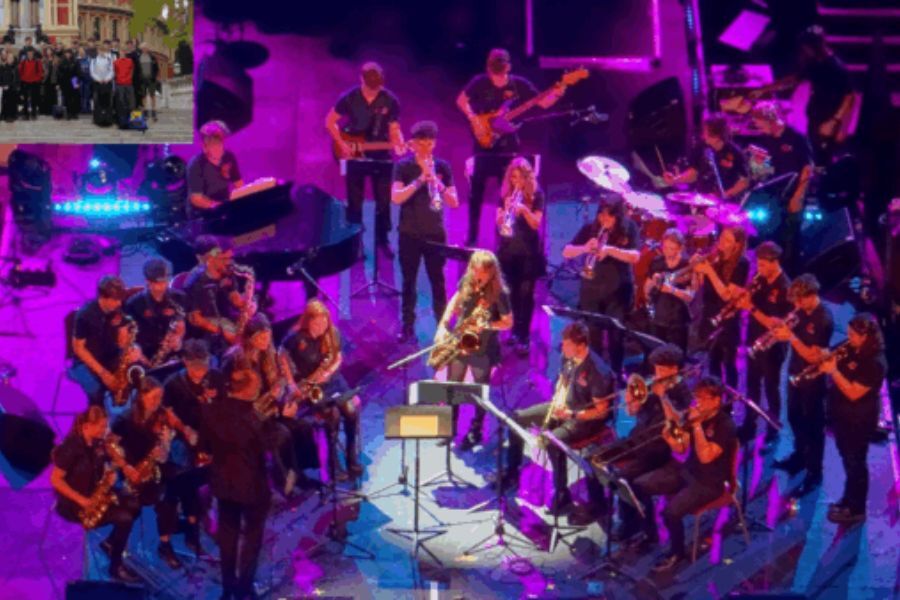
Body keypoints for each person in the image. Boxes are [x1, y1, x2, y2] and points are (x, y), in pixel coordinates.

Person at [503, 321, 617, 524]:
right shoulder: (570, 358)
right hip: (563, 407)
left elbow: (601, 412)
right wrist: (559, 396)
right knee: (516, 419)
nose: (562, 348)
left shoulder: (598, 371)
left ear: (580, 345)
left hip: (584, 419)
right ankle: (512, 472)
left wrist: (571, 415)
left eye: (567, 344)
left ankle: (562, 493)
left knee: (551, 442)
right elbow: (563, 383)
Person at [456, 48, 562, 246]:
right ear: (489, 65)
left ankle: (502, 236)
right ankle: (471, 237)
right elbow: (461, 100)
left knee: (506, 195)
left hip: (508, 149)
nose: (498, 67)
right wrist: (474, 119)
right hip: (484, 147)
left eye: (501, 63)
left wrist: (557, 92)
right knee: (476, 194)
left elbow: (544, 104)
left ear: (508, 65)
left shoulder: (518, 85)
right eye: (495, 63)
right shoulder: (480, 82)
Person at [631, 376, 737, 572]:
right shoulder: (697, 415)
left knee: (671, 512)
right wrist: (670, 437)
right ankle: (649, 532)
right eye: (697, 396)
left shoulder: (725, 426)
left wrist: (697, 425)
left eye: (704, 398)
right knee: (639, 484)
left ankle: (677, 553)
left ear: (716, 400)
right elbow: (682, 447)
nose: (698, 402)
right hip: (689, 471)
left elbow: (705, 457)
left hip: (710, 482)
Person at [201, 350, 271, 599]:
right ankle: (245, 589)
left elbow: (206, 447)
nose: (257, 390)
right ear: (246, 389)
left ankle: (228, 588)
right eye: (255, 386)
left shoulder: (211, 412)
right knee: (251, 538)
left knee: (227, 538)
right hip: (253, 489)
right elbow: (266, 450)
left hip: (223, 485)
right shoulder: (253, 419)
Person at [110, 376, 199, 570]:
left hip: (156, 466)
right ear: (141, 397)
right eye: (153, 398)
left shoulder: (161, 416)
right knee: (167, 497)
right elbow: (110, 446)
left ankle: (190, 530)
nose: (157, 403)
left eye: (160, 398)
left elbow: (164, 457)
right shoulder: (124, 420)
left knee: (187, 482)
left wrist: (166, 445)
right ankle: (165, 544)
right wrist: (125, 466)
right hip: (134, 471)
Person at [608, 344, 693, 545]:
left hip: (660, 447)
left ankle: (646, 530)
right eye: (656, 368)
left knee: (627, 480)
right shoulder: (650, 384)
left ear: (674, 369)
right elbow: (631, 413)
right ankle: (629, 520)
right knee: (601, 458)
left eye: (663, 369)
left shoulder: (683, 392)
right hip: (639, 437)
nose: (658, 373)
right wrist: (631, 397)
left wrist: (663, 396)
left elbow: (678, 422)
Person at [50, 406, 141, 583]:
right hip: (75, 504)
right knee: (125, 518)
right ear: (86, 426)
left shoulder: (97, 441)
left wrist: (122, 467)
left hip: (94, 492)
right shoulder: (72, 447)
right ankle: (116, 567)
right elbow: (55, 479)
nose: (104, 430)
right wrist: (82, 501)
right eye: (101, 427)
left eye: (105, 426)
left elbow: (110, 449)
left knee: (134, 504)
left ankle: (111, 543)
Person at [325, 61, 405, 257]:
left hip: (379, 152)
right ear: (361, 80)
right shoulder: (349, 98)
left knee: (383, 200)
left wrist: (400, 142)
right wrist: (342, 144)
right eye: (370, 87)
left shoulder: (390, 100)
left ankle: (382, 239)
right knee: (355, 199)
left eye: (376, 87)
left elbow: (394, 129)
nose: (373, 91)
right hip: (353, 151)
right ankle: (356, 241)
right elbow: (329, 121)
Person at [435, 250, 512, 451]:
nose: (477, 277)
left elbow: (508, 323)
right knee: (454, 385)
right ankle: (449, 428)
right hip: (462, 343)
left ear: (491, 273)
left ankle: (475, 430)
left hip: (483, 348)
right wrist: (444, 324)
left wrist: (486, 324)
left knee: (479, 391)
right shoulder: (468, 281)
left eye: (482, 274)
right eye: (475, 271)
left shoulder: (499, 294)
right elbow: (455, 300)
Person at [391, 120, 459, 341]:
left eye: (431, 143)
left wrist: (437, 183)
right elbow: (396, 197)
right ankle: (407, 326)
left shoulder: (443, 167)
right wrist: (420, 179)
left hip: (435, 234)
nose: (428, 148)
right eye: (423, 143)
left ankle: (443, 326)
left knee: (438, 281)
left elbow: (454, 201)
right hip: (409, 233)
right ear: (414, 144)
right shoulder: (403, 166)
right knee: (408, 281)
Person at [279, 299, 360, 482]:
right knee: (332, 416)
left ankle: (351, 458)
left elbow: (338, 357)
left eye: (324, 322)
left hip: (333, 381)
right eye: (317, 323)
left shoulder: (332, 333)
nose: (321, 326)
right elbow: (281, 354)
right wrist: (291, 384)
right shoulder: (297, 337)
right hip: (313, 386)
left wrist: (329, 372)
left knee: (351, 412)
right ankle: (333, 464)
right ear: (308, 321)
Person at [749, 26, 854, 165]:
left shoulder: (835, 67)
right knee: (814, 151)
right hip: (816, 114)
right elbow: (794, 79)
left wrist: (835, 122)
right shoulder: (815, 62)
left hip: (829, 119)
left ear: (813, 46)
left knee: (823, 157)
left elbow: (849, 97)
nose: (804, 51)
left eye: (806, 47)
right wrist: (765, 89)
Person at [562, 194, 641, 378]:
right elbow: (566, 251)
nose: (604, 219)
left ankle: (616, 372)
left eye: (609, 216)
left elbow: (635, 256)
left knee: (616, 336)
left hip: (618, 291)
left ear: (618, 216)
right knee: (593, 335)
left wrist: (610, 250)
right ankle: (595, 373)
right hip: (592, 291)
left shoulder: (630, 228)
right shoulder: (592, 228)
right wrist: (584, 248)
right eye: (601, 214)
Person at [820, 313, 886, 524]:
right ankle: (847, 500)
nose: (848, 338)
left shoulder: (875, 362)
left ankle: (856, 509)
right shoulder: (850, 347)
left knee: (856, 463)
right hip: (841, 416)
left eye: (853, 335)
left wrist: (833, 371)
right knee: (847, 460)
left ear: (866, 336)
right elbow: (830, 354)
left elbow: (853, 392)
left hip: (858, 420)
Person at [771, 274, 833, 495]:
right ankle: (799, 456)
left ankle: (814, 472)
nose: (796, 305)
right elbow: (789, 338)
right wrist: (779, 332)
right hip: (795, 375)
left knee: (813, 428)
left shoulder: (823, 318)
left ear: (810, 296)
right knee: (794, 418)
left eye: (799, 300)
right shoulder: (801, 312)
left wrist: (791, 337)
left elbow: (813, 357)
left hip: (813, 381)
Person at [163, 339, 225, 555]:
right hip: (186, 435)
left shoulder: (216, 377)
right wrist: (185, 430)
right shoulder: (173, 384)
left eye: (204, 366)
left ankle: (220, 511)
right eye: (196, 367)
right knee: (184, 473)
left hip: (213, 433)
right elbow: (168, 414)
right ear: (185, 363)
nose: (200, 372)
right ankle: (191, 526)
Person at [735, 241, 792, 442]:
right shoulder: (761, 279)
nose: (759, 269)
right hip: (753, 340)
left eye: (763, 265)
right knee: (751, 385)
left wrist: (750, 307)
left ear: (775, 262)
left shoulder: (785, 287)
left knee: (771, 387)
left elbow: (774, 325)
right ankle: (749, 425)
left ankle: (772, 426)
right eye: (758, 264)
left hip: (772, 347)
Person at [749, 102, 813, 274]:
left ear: (770, 119)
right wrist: (759, 163)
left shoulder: (796, 138)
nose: (760, 129)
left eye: (760, 124)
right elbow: (769, 169)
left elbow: (808, 168)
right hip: (775, 197)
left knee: (791, 241)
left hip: (794, 196)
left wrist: (798, 196)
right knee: (772, 238)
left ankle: (792, 277)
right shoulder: (767, 139)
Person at [495, 156, 546, 355]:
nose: (516, 182)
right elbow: (499, 224)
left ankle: (524, 336)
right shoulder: (505, 194)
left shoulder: (537, 196)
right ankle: (514, 332)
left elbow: (536, 224)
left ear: (527, 178)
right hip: (509, 252)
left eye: (520, 178)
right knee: (512, 294)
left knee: (526, 296)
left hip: (528, 254)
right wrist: (505, 210)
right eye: (513, 178)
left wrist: (524, 210)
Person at [693, 225, 750, 389]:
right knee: (713, 361)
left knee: (729, 364)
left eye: (727, 240)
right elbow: (699, 287)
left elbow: (727, 295)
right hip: (710, 315)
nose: (721, 243)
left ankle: (729, 401)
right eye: (721, 238)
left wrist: (709, 271)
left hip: (727, 321)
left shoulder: (742, 264)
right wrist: (697, 272)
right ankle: (714, 397)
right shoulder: (716, 258)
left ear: (737, 245)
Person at [183, 236, 256, 356]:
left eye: (230, 258)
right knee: (221, 344)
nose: (229, 262)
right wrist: (225, 333)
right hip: (204, 331)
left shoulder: (227, 272)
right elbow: (196, 320)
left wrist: (249, 302)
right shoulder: (196, 281)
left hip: (223, 321)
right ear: (211, 258)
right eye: (224, 258)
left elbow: (235, 299)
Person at [69, 276, 131, 407]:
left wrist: (127, 344)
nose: (119, 303)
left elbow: (123, 337)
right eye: (115, 300)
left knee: (132, 378)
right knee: (97, 391)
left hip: (110, 355)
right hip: (87, 361)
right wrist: (103, 374)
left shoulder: (118, 309)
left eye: (120, 299)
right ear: (102, 296)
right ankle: (97, 419)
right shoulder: (85, 315)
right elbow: (78, 349)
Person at [663, 114, 749, 202]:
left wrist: (725, 195)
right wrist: (675, 180)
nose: (703, 136)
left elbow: (744, 181)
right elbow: (694, 173)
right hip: (702, 199)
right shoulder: (702, 148)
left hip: (724, 204)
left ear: (717, 137)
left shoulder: (736, 153)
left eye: (706, 133)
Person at [124, 258, 187, 366]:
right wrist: (139, 354)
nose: (164, 287)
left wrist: (178, 338)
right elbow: (127, 335)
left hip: (171, 349)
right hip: (145, 351)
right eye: (159, 283)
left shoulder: (179, 297)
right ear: (148, 282)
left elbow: (181, 324)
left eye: (166, 282)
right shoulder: (133, 304)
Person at [643, 228, 693, 352]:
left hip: (678, 321)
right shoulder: (657, 262)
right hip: (658, 318)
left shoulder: (687, 265)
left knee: (676, 357)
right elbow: (646, 291)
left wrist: (671, 290)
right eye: (665, 248)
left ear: (680, 248)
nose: (667, 252)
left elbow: (690, 296)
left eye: (672, 249)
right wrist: (653, 282)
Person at [187, 120, 244, 214]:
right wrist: (218, 207)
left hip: (224, 207)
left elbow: (239, 185)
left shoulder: (229, 157)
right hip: (202, 213)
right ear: (205, 147)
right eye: (213, 144)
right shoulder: (196, 164)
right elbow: (196, 199)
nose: (219, 148)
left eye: (220, 143)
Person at [132, 42, 159, 120]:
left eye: (146, 48)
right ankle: (145, 112)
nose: (144, 49)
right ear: (141, 49)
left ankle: (154, 112)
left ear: (148, 49)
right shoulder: (138, 58)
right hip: (142, 80)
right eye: (143, 48)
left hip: (151, 79)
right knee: (143, 96)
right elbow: (136, 69)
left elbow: (156, 68)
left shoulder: (152, 57)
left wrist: (155, 76)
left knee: (152, 95)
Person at [90, 40, 115, 119]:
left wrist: (107, 78)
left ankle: (107, 116)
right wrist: (98, 79)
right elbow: (92, 71)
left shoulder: (109, 60)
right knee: (97, 100)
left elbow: (112, 70)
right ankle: (97, 116)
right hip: (97, 82)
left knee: (107, 100)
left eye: (103, 51)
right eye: (100, 50)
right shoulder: (94, 60)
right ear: (98, 51)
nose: (101, 52)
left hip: (107, 82)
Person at [113, 40, 136, 125]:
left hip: (128, 83)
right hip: (120, 84)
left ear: (125, 53)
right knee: (121, 102)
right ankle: (121, 120)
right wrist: (118, 79)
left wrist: (129, 77)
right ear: (119, 53)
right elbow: (114, 72)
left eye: (123, 51)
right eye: (121, 52)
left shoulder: (130, 61)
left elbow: (132, 70)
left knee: (131, 103)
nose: (122, 53)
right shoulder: (116, 62)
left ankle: (133, 120)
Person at [17, 47, 42, 120]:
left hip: (34, 82)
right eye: (29, 54)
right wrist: (23, 78)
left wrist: (37, 79)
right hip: (25, 82)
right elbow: (20, 71)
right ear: (27, 54)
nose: (30, 55)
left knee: (34, 99)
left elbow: (40, 72)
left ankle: (33, 113)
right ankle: (25, 114)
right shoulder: (23, 62)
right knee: (25, 99)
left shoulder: (37, 62)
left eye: (31, 54)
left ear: (33, 54)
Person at [58, 48, 80, 119]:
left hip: (74, 80)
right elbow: (59, 73)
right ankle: (68, 113)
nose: (68, 55)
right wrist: (60, 83)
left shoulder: (75, 61)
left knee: (75, 97)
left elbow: (78, 72)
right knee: (67, 98)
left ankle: (75, 113)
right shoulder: (62, 62)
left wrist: (77, 82)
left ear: (71, 54)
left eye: (69, 53)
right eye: (66, 53)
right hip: (65, 81)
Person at [0, 52, 18, 121]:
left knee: (12, 103)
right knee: (5, 103)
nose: (10, 59)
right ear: (6, 59)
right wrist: (2, 85)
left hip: (13, 88)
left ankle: (12, 115)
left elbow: (17, 78)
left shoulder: (15, 68)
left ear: (13, 59)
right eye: (9, 58)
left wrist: (17, 86)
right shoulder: (3, 67)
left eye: (11, 58)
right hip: (5, 88)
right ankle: (5, 115)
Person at [76, 46, 92, 114]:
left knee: (87, 95)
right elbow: (73, 73)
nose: (81, 52)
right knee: (79, 95)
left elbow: (92, 69)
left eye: (82, 51)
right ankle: (80, 108)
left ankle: (87, 109)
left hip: (87, 80)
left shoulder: (89, 59)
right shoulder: (76, 59)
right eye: (79, 51)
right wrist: (74, 84)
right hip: (78, 80)